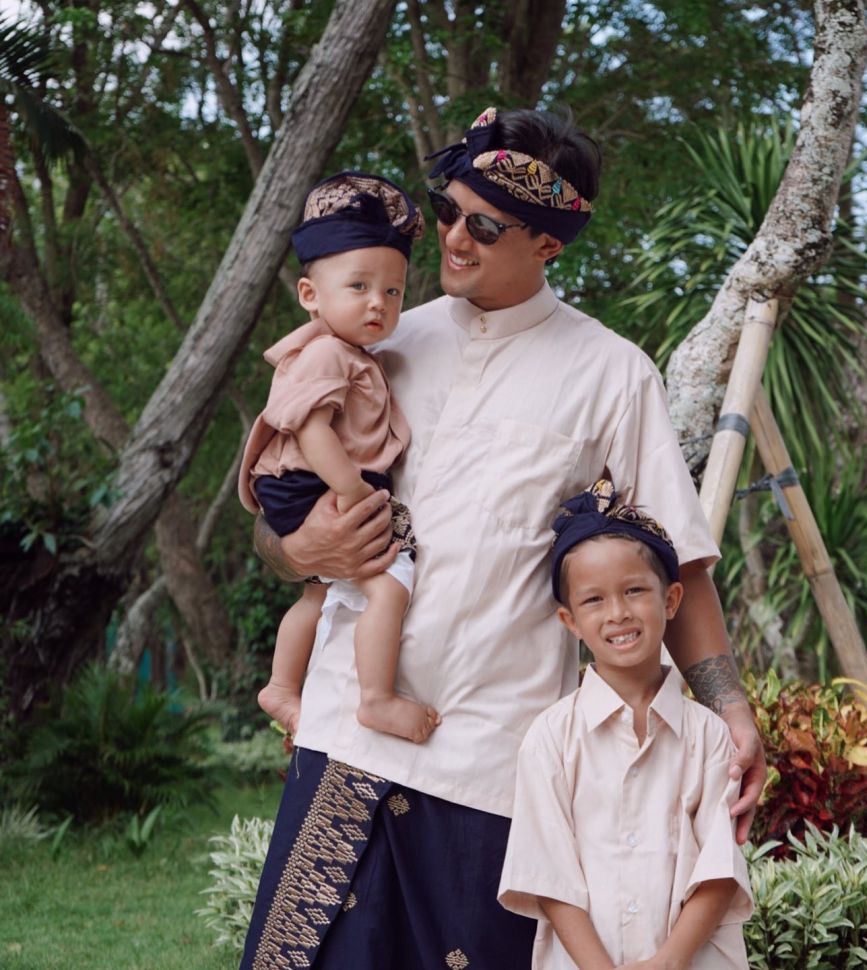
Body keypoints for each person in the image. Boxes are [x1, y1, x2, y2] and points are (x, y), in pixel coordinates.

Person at [240, 106, 766, 970]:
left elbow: (680, 563)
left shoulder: (610, 372)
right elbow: (276, 500)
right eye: (446, 213)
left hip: (489, 766)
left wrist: (730, 709)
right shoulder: (376, 338)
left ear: (549, 243)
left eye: (482, 226)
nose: (451, 239)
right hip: (344, 735)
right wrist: (298, 553)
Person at [498, 480, 753, 969]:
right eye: (593, 601)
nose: (618, 613)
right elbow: (550, 876)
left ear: (671, 600)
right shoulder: (550, 740)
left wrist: (669, 961)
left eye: (635, 590)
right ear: (569, 620)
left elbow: (719, 869)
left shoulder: (709, 738)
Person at [237, 171, 440, 744]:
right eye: (358, 287)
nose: (378, 303)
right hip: (311, 480)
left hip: (304, 482)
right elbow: (309, 427)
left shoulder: (352, 352)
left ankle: (280, 686)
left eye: (393, 292)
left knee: (318, 589)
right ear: (310, 295)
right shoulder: (328, 352)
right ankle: (376, 698)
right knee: (390, 583)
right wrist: (351, 491)